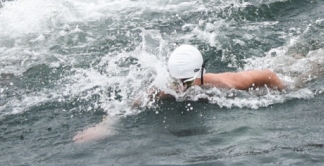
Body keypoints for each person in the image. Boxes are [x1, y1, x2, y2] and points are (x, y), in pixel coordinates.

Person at [72, 45, 284, 142]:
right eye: (177, 81)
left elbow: (268, 74)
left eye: (188, 82)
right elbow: (127, 107)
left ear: (201, 73)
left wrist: (286, 92)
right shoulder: (163, 89)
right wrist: (104, 126)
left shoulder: (221, 83)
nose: (181, 87)